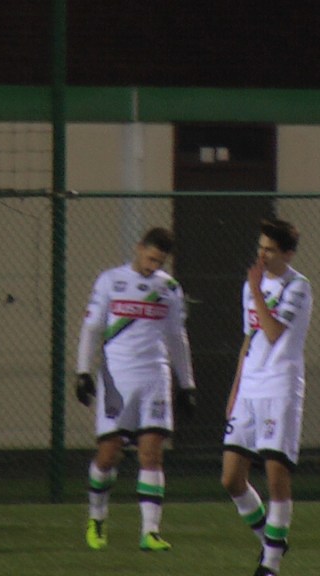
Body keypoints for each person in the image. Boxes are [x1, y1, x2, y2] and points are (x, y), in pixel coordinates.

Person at [74, 227, 197, 552]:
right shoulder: (110, 281)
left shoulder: (169, 288)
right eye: (150, 258)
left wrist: (187, 384)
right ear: (139, 248)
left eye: (159, 262)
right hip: (117, 378)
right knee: (109, 454)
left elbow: (177, 338)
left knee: (152, 453)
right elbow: (92, 328)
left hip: (155, 377)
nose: (152, 266)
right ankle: (97, 518)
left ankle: (150, 532)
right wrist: (83, 372)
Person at [221, 218, 313, 576]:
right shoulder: (253, 287)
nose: (262, 255)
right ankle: (272, 540)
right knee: (231, 478)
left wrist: (257, 291)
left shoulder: (298, 286)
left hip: (279, 388)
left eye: (270, 250)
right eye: (260, 247)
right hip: (250, 388)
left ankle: (270, 565)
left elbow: (273, 332)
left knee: (276, 477)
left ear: (287, 254)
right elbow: (250, 339)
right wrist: (235, 390)